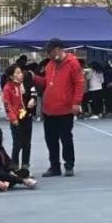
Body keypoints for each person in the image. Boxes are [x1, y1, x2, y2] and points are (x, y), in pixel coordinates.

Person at [33, 40, 84, 178]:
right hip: (49, 109)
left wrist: (76, 102)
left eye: (49, 52)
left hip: (65, 109)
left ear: (57, 50)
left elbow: (79, 83)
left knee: (66, 138)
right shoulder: (50, 64)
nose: (47, 55)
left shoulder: (73, 63)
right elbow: (46, 82)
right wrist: (35, 78)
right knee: (50, 139)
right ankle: (54, 166)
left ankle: (69, 165)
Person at [0, 126, 37, 192]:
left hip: (2, 174)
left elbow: (8, 161)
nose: (2, 138)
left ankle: (0, 184)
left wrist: (11, 170)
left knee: (23, 172)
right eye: (0, 137)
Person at [2, 65, 35, 171]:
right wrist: (13, 118)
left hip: (26, 115)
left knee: (27, 143)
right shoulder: (8, 88)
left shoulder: (24, 83)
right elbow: (7, 105)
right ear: (12, 76)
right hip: (16, 118)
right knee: (17, 143)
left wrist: (33, 99)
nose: (21, 74)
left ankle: (25, 165)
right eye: (18, 73)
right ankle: (14, 166)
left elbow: (34, 92)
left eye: (21, 72)